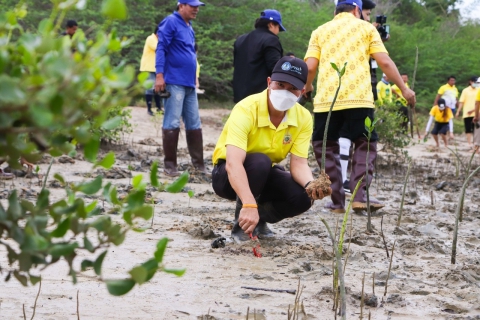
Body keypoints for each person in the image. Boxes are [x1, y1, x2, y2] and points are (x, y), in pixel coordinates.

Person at [304, 0, 415, 213]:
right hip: (359, 99)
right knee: (364, 145)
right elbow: (384, 62)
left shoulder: (320, 31)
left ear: (335, 10)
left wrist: (308, 87)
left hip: (327, 101)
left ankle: (336, 202)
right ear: (357, 9)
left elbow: (310, 67)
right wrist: (404, 89)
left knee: (325, 147)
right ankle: (359, 197)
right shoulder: (366, 28)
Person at [212, 57, 327, 243]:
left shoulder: (303, 117)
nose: (285, 92)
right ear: (268, 82)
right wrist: (249, 203)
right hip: (227, 175)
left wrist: (311, 185)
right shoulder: (246, 109)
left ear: (302, 92)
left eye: (292, 89)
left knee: (302, 197)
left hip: (263, 175)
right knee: (260, 161)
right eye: (280, 84)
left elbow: (298, 164)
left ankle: (259, 219)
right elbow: (233, 163)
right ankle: (241, 225)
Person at [154, 0, 207, 177]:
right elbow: (161, 48)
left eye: (198, 6)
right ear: (181, 5)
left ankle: (198, 165)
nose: (196, 9)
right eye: (192, 6)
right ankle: (170, 166)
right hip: (174, 81)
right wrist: (159, 76)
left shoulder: (189, 26)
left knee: (194, 123)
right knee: (172, 121)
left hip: (189, 83)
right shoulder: (170, 21)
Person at [232, 9, 285, 103]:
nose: (278, 32)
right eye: (278, 28)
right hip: (260, 96)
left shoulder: (241, 39)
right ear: (271, 24)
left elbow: (236, 65)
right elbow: (275, 69)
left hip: (240, 95)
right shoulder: (271, 40)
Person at [140, 27, 163, 116]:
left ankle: (159, 108)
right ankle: (149, 109)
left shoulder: (157, 39)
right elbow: (158, 48)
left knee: (158, 89)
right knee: (150, 88)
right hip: (149, 67)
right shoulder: (151, 38)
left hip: (156, 68)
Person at [456, 76, 479, 148]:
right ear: (470, 82)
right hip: (467, 112)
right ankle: (470, 143)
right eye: (475, 82)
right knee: (468, 128)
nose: (476, 84)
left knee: (476, 129)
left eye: (477, 82)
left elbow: (478, 103)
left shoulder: (478, 89)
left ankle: (475, 143)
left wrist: (474, 110)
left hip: (477, 112)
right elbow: (461, 102)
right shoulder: (465, 90)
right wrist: (458, 111)